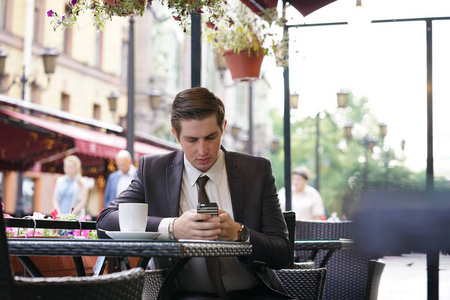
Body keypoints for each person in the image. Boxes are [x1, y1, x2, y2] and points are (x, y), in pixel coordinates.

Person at [97, 87, 293, 299]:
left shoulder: (256, 172)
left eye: (211, 137)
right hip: (181, 295)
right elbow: (106, 222)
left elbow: (282, 252)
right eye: (191, 140)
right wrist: (173, 228)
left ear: (223, 128)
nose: (202, 150)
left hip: (253, 294)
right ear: (176, 135)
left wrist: (240, 234)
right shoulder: (154, 170)